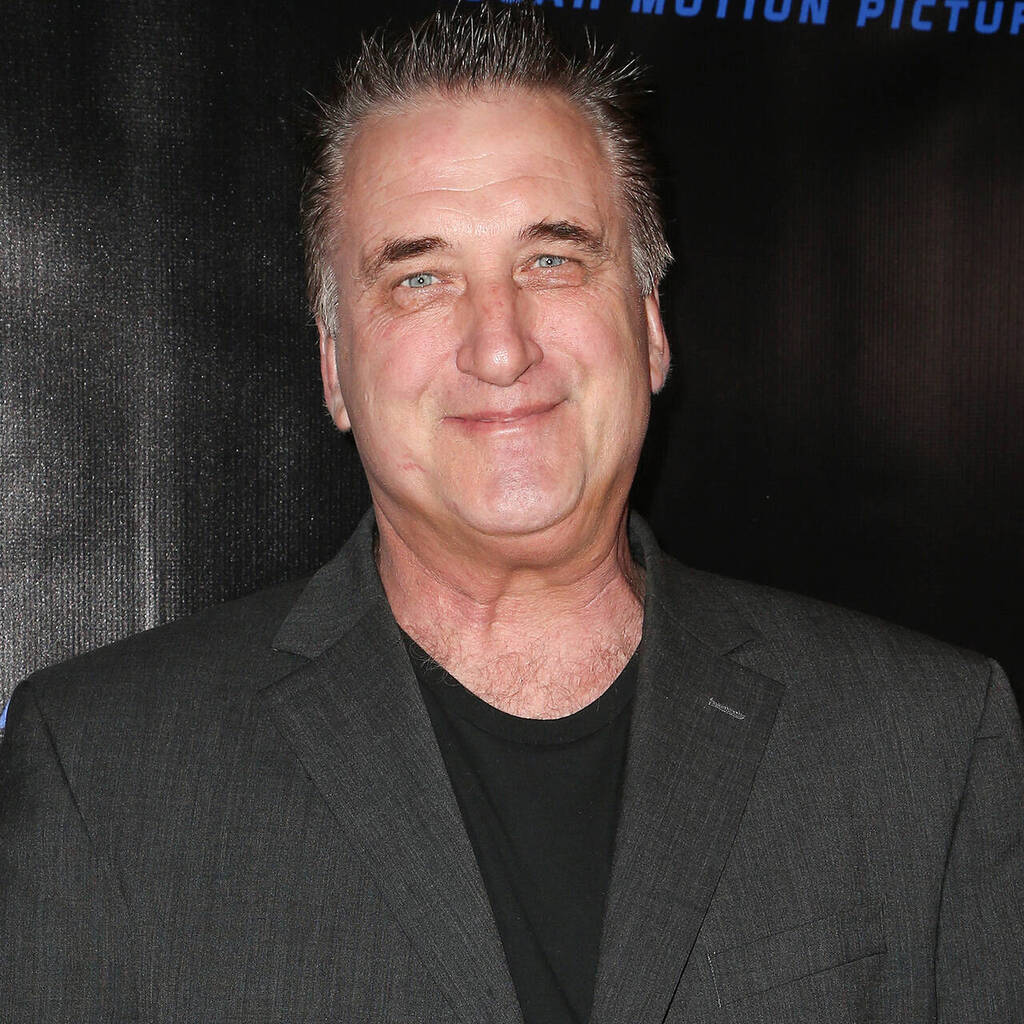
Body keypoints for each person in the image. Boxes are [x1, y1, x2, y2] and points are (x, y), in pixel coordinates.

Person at [1, 5, 1021, 1022]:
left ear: (651, 328)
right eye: (421, 277)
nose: (500, 346)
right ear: (334, 367)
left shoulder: (923, 747)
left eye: (552, 260)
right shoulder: (108, 770)